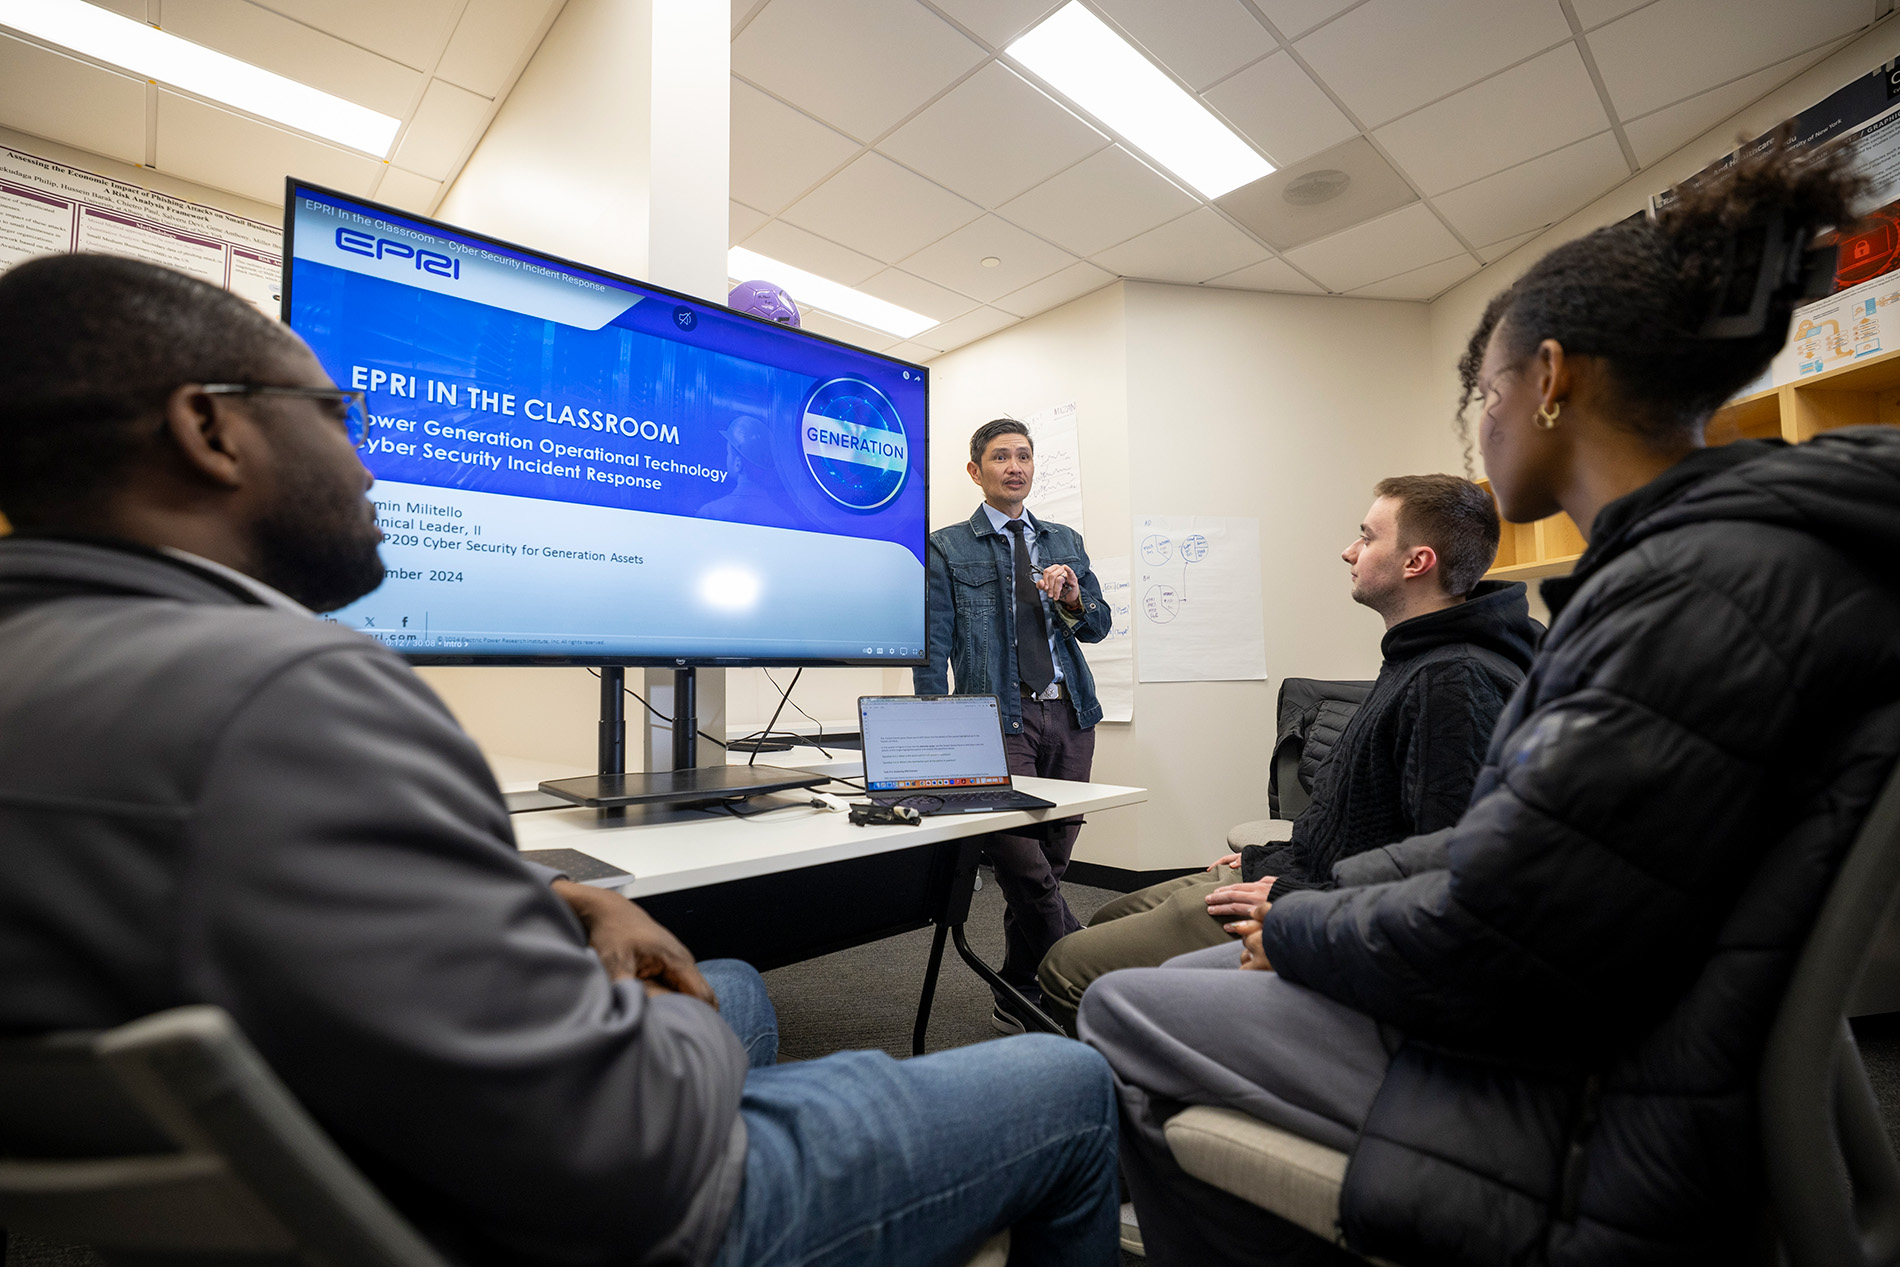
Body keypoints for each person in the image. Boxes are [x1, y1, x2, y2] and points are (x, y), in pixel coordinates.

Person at [0, 254, 1121, 1267]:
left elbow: (274, 897)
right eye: (338, 414)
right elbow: (626, 1128)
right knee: (1061, 1078)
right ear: (209, 429)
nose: (369, 461)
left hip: (340, 1172)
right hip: (595, 1211)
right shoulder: (290, 690)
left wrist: (553, 898)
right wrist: (671, 1009)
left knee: (735, 981)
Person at [1081, 134, 1900, 1266]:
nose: (1481, 426)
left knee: (1120, 1008)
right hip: (1617, 1024)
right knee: (1192, 973)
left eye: (1485, 392)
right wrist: (1320, 899)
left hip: (1587, 1099)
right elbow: (1520, 848)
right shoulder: (1711, 564)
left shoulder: (1691, 593)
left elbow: (1503, 927)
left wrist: (1304, 922)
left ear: (1550, 380)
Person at [1037, 474, 1537, 1034]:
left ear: (1416, 562)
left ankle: (1162, 1079)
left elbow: (1444, 869)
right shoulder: (1417, 655)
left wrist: (1298, 897)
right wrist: (1282, 852)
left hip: (1317, 900)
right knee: (1106, 915)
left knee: (1067, 967)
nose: (1348, 551)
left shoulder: (1454, 680)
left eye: (1367, 537)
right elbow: (1372, 815)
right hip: (1297, 868)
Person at [916, 418, 1112, 1033]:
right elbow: (932, 648)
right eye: (1001, 457)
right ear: (976, 471)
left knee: (1051, 860)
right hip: (997, 720)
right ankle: (1090, 969)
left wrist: (1074, 599)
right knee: (1021, 862)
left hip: (1071, 714)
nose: (1015, 466)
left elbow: (1098, 626)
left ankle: (1020, 987)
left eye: (1024, 456)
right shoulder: (947, 547)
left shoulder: (1064, 541)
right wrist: (936, 734)